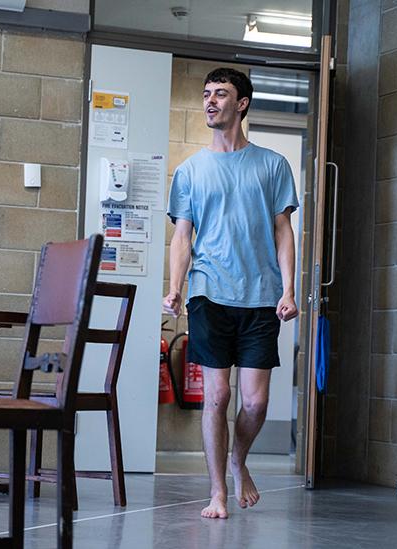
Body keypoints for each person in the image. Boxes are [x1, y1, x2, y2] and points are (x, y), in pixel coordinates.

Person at [162, 67, 299, 519]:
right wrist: (175, 288)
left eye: (221, 94)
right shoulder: (190, 170)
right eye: (206, 93)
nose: (210, 100)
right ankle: (218, 491)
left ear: (241, 104)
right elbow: (182, 236)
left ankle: (239, 460)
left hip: (261, 296)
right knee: (218, 396)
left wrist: (289, 290)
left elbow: (283, 231)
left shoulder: (272, 165)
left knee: (255, 403)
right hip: (209, 293)